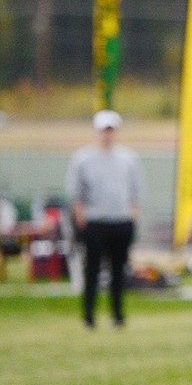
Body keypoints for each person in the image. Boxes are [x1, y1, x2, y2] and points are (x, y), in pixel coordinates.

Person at [65, 109, 144, 329]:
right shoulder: (82, 159)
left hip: (121, 221)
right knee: (92, 269)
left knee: (119, 271)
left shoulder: (128, 159)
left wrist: (132, 216)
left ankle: (118, 315)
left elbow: (135, 192)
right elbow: (76, 193)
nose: (106, 134)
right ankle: (89, 315)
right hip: (95, 222)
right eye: (103, 130)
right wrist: (82, 218)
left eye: (110, 130)